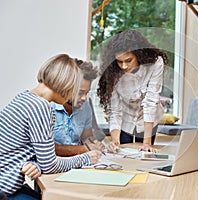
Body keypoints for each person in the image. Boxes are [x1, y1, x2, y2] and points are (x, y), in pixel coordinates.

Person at [0, 54, 101, 199]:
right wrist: (86, 158)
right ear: (66, 83)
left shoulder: (24, 98)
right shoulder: (41, 107)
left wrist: (36, 164)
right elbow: (50, 165)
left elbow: (22, 152)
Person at [97, 29, 168, 153]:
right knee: (123, 154)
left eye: (128, 60)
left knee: (146, 153)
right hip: (125, 118)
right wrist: (114, 142)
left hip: (148, 118)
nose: (124, 66)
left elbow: (150, 102)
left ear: (139, 55)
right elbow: (115, 111)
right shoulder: (112, 72)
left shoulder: (156, 63)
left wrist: (147, 143)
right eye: (119, 61)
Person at [51, 60, 105, 156]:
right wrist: (83, 149)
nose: (84, 98)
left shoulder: (86, 107)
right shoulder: (47, 107)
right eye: (80, 92)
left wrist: (94, 143)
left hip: (79, 163)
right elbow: (47, 148)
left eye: (86, 93)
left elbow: (86, 137)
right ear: (67, 86)